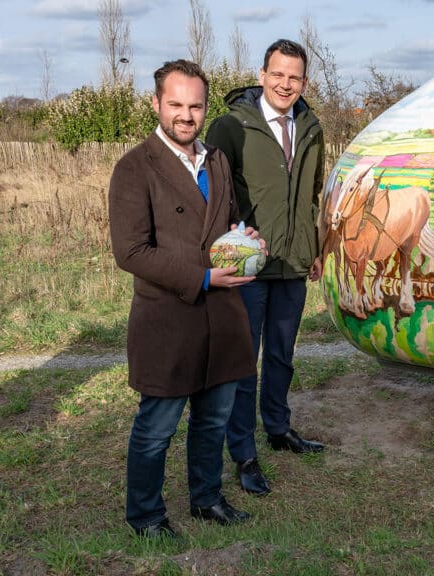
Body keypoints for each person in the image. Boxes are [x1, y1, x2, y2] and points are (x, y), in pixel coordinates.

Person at [110, 59, 262, 537]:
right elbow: (130, 250)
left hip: (222, 315)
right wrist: (202, 278)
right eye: (175, 104)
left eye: (195, 105)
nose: (186, 114)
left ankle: (206, 498)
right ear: (156, 104)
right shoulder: (135, 166)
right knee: (157, 427)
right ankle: (147, 516)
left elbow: (228, 220)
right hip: (168, 318)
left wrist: (244, 237)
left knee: (213, 419)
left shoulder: (216, 159)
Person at [206, 39, 327, 497]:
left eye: (294, 77)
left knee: (281, 355)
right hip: (249, 266)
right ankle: (243, 453)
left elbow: (311, 195)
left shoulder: (311, 127)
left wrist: (313, 246)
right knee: (244, 362)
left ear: (304, 82)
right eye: (277, 74)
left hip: (293, 263)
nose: (285, 84)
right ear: (261, 75)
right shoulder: (231, 126)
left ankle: (278, 428)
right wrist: (229, 248)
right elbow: (213, 196)